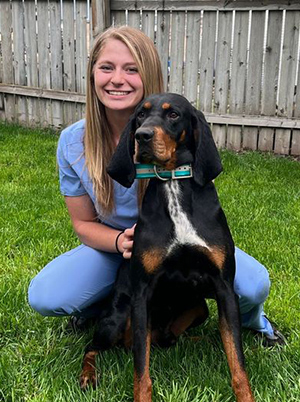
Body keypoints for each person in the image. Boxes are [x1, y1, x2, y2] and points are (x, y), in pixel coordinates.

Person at [28, 26, 285, 346]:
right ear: (92, 73)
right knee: (45, 295)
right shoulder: (72, 142)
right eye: (106, 67)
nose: (117, 79)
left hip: (177, 237)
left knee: (253, 285)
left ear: (149, 75)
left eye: (131, 69)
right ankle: (103, 307)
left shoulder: (177, 130)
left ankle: (253, 320)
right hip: (118, 249)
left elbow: (202, 194)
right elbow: (82, 224)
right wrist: (120, 240)